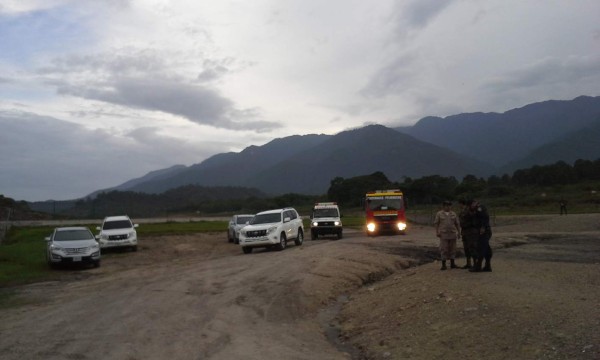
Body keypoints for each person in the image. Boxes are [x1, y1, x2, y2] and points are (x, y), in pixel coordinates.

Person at [433, 200, 461, 270]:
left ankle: (452, 264)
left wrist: (459, 232)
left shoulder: (453, 214)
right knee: (444, 249)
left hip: (452, 233)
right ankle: (443, 265)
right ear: (443, 206)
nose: (448, 207)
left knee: (453, 249)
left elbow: (457, 224)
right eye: (446, 205)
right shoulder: (439, 214)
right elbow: (436, 223)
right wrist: (437, 232)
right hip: (443, 234)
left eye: (449, 205)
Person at [468, 199, 493, 272]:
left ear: (474, 203)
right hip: (485, 230)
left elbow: (485, 217)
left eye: (471, 205)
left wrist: (483, 227)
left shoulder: (479, 208)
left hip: (483, 231)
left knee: (481, 248)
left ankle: (478, 267)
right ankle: (487, 266)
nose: (471, 207)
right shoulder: (478, 208)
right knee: (486, 248)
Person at [458, 199, 478, 269]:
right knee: (466, 248)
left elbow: (473, 217)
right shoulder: (462, 211)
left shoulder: (472, 211)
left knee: (472, 248)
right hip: (465, 231)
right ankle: (468, 263)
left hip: (471, 231)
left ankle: (476, 264)